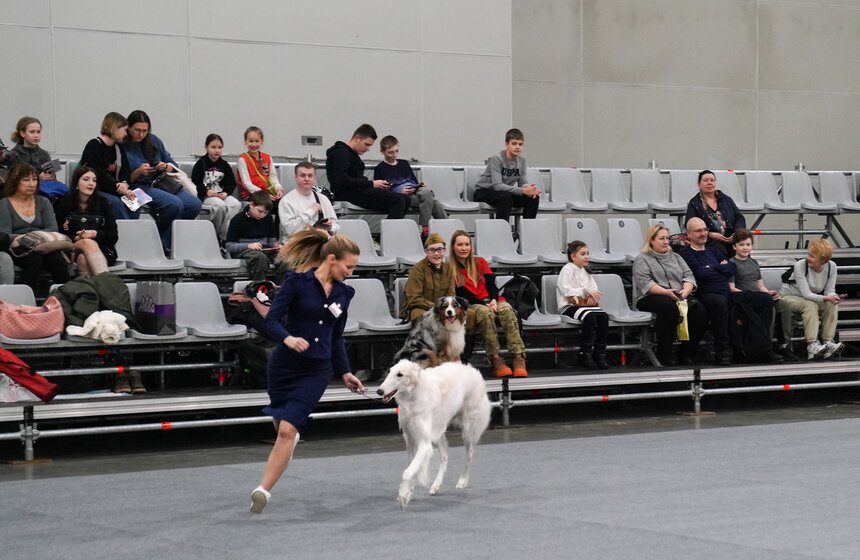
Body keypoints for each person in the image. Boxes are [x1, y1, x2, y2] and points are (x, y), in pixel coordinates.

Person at [249, 228, 365, 514]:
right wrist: (287, 338)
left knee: (287, 430)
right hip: (284, 367)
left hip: (316, 370)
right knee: (283, 429)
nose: (351, 272)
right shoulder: (296, 283)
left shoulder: (344, 293)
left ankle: (262, 490)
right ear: (332, 260)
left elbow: (337, 336)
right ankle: (288, 441)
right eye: (349, 266)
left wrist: (345, 372)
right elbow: (272, 321)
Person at [450, 230, 527, 378]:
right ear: (453, 247)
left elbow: (492, 284)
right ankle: (496, 358)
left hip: (492, 300)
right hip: (473, 304)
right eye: (460, 245)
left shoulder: (480, 261)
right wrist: (484, 303)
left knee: (508, 312)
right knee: (485, 314)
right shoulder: (450, 269)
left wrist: (493, 300)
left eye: (467, 244)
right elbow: (462, 294)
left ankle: (519, 357)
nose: (464, 248)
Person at [124, 110, 202, 249]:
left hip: (161, 183)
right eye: (137, 130)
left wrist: (166, 166)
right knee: (174, 204)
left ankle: (167, 240)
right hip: (136, 187)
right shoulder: (122, 144)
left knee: (194, 204)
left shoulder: (154, 140)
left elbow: (173, 164)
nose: (141, 134)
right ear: (128, 127)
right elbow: (121, 178)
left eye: (144, 131)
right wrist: (138, 172)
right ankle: (159, 244)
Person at [632, 224, 706, 366]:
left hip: (679, 294)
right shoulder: (642, 258)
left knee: (700, 311)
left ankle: (686, 354)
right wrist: (666, 292)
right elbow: (645, 283)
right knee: (669, 307)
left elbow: (689, 275)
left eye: (667, 238)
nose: (666, 241)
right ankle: (665, 354)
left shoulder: (676, 257)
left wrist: (686, 290)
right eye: (661, 238)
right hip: (651, 296)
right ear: (651, 240)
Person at [0, 163, 70, 292]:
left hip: (44, 244)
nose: (32, 184)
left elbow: (52, 228)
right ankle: (24, 301)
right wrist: (24, 238)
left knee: (57, 260)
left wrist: (32, 236)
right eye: (26, 180)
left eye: (35, 179)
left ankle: (65, 299)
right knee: (35, 260)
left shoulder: (43, 201)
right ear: (15, 181)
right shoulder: (5, 204)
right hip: (19, 246)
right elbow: (5, 234)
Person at [678, 217, 737, 366]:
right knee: (720, 303)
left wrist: (712, 268)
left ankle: (760, 348)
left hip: (726, 292)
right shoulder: (685, 254)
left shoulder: (714, 250)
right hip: (705, 294)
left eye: (705, 230)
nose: (703, 233)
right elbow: (700, 274)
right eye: (698, 231)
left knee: (761, 299)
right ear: (688, 234)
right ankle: (722, 352)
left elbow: (732, 268)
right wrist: (719, 267)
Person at [776, 239, 844, 361]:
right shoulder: (800, 265)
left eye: (812, 256)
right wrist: (826, 297)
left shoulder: (832, 267)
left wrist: (833, 296)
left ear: (822, 261)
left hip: (810, 297)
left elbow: (829, 290)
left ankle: (828, 342)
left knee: (831, 304)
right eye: (808, 254)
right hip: (788, 297)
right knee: (810, 304)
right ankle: (811, 345)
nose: (808, 258)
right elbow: (806, 294)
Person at [326, 124, 409, 219]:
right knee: (400, 200)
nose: (368, 149)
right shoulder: (341, 153)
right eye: (366, 144)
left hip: (356, 190)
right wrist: (372, 184)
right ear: (357, 138)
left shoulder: (349, 154)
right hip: (347, 193)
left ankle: (391, 229)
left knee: (405, 199)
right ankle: (391, 232)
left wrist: (372, 185)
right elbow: (341, 181)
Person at [727, 229, 784, 363]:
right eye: (741, 245)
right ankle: (764, 348)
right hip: (741, 298)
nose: (745, 248)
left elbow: (760, 285)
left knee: (772, 303)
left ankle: (765, 346)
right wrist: (758, 296)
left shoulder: (754, 263)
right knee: (764, 302)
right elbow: (731, 288)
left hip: (757, 298)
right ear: (734, 246)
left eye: (748, 244)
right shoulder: (731, 263)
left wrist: (767, 292)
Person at [374, 135, 446, 236]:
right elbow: (380, 192)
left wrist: (419, 185)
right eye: (390, 152)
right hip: (401, 197)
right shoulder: (380, 168)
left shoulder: (404, 163)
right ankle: (443, 233)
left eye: (396, 151)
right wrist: (399, 192)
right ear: (382, 151)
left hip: (415, 191)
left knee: (425, 191)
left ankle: (426, 230)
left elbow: (413, 181)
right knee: (435, 203)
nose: (394, 155)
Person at [54, 166, 118, 277]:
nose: (91, 183)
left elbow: (113, 236)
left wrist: (94, 234)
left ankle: (88, 293)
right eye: (86, 179)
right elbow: (58, 232)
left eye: (94, 180)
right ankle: (108, 282)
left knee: (83, 259)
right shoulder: (64, 202)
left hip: (101, 249)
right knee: (86, 242)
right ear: (76, 183)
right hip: (72, 247)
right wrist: (77, 237)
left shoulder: (103, 202)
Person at [557, 240, 610, 369]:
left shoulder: (586, 271)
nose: (586, 256)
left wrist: (593, 296)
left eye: (587, 253)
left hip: (585, 305)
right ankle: (585, 353)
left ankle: (600, 353)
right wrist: (585, 292)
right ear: (573, 256)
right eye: (582, 254)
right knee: (590, 317)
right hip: (569, 306)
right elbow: (566, 290)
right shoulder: (567, 269)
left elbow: (593, 288)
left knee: (604, 317)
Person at [473, 128, 541, 223]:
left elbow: (522, 182)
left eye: (520, 144)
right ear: (506, 144)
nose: (517, 147)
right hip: (483, 192)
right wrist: (522, 191)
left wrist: (529, 189)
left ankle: (528, 231)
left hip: (504, 193)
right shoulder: (496, 159)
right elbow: (498, 186)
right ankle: (501, 232)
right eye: (514, 143)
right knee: (505, 197)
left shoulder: (522, 161)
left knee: (533, 198)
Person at [79, 112, 136, 221]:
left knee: (134, 201)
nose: (126, 134)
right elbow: (98, 174)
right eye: (124, 130)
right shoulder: (94, 145)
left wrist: (124, 183)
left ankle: (131, 228)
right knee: (115, 203)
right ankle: (126, 232)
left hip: (115, 188)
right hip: (96, 188)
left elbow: (126, 170)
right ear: (115, 128)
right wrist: (118, 188)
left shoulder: (119, 148)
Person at [191, 133, 242, 240]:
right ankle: (213, 235)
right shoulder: (201, 163)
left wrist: (226, 193)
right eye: (213, 147)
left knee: (236, 204)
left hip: (221, 194)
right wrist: (206, 192)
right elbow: (195, 183)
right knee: (220, 206)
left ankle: (223, 235)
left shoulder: (224, 165)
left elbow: (231, 183)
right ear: (206, 147)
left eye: (219, 147)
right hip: (206, 196)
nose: (217, 150)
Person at [685, 170, 745, 257]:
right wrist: (709, 234)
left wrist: (736, 233)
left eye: (712, 180)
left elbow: (740, 218)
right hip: (711, 240)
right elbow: (690, 224)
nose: (709, 183)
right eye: (706, 180)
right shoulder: (695, 203)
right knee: (718, 250)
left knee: (741, 249)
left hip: (731, 237)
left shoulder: (726, 199)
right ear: (699, 184)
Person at [400, 232, 456, 324]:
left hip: (443, 308)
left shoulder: (448, 269)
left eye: (439, 249)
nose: (436, 253)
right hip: (419, 308)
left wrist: (444, 308)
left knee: (469, 314)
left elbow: (451, 294)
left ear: (445, 250)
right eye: (432, 250)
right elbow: (414, 298)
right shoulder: (417, 269)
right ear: (426, 252)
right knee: (421, 315)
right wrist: (436, 307)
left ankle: (462, 338)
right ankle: (422, 338)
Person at [226, 191, 280, 282]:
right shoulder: (237, 219)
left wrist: (276, 246)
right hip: (243, 249)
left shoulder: (269, 218)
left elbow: (271, 241)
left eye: (265, 213)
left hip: (263, 248)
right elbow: (229, 246)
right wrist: (249, 245)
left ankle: (281, 289)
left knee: (283, 257)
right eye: (260, 211)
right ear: (251, 205)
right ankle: (259, 287)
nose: (262, 215)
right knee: (260, 258)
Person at [279, 162, 339, 241]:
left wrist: (331, 227)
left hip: (321, 242)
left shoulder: (323, 199)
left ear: (314, 178)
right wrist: (311, 211)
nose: (306, 179)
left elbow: (336, 225)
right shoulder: (286, 201)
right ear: (295, 177)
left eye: (310, 176)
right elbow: (290, 230)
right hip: (297, 245)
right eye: (303, 175)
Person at [8, 116, 66, 199]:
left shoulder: (45, 154)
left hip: (43, 194)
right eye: (32, 132)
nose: (36, 135)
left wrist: (49, 176)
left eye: (38, 132)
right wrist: (37, 178)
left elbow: (53, 179)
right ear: (22, 133)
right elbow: (11, 180)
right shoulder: (13, 154)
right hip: (20, 194)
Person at [236, 126, 284, 202]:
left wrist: (278, 189)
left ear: (262, 141)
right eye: (251, 141)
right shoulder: (242, 159)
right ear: (245, 141)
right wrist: (263, 195)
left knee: (283, 202)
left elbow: (273, 177)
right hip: (252, 194)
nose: (254, 144)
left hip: (268, 193)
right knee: (266, 203)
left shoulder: (267, 157)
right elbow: (246, 183)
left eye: (257, 141)